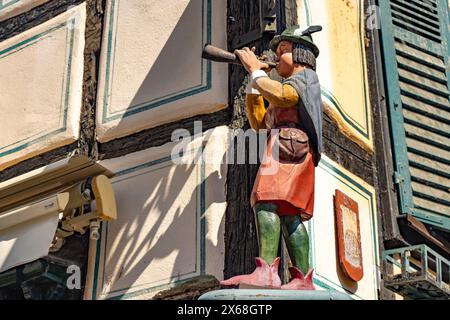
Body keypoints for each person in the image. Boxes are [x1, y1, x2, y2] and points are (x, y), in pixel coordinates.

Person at [221, 26, 323, 290]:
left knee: (265, 203)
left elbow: (282, 96)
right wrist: (255, 83)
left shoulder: (304, 78)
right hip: (286, 145)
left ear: (301, 54)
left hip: (289, 147)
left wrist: (255, 70)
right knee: (289, 215)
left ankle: (266, 272)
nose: (277, 57)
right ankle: (302, 279)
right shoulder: (287, 86)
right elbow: (259, 123)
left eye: (284, 51)